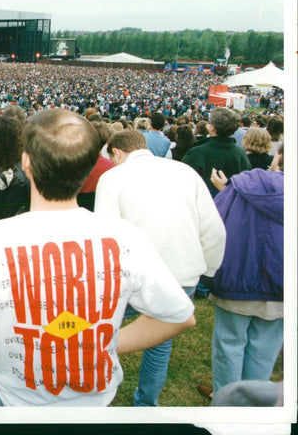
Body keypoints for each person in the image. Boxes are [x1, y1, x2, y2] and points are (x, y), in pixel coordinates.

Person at [0, 109, 196, 406]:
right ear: (91, 165)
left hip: (14, 404)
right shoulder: (125, 237)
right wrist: (105, 344)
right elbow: (179, 316)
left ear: (26, 161)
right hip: (86, 404)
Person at [93, 129, 226, 407]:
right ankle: (145, 404)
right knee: (159, 342)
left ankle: (97, 390)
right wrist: (208, 271)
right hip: (183, 274)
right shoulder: (185, 172)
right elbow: (215, 230)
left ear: (116, 152)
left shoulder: (112, 178)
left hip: (133, 277)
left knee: (102, 330)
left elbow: (105, 237)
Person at [198, 156, 284, 400]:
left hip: (240, 274)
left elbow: (214, 224)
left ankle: (229, 400)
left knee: (230, 344)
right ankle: (245, 403)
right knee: (264, 347)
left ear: (278, 159)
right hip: (277, 281)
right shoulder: (241, 186)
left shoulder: (243, 186)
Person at [182, 107, 251, 197]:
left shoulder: (196, 153)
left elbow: (184, 183)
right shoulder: (240, 154)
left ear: (212, 128)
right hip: (230, 205)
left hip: (203, 204)